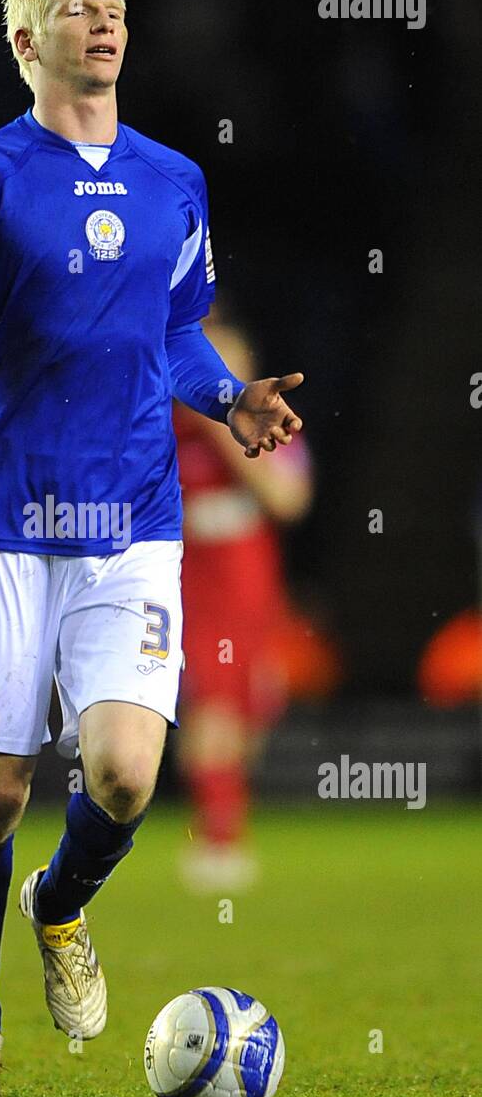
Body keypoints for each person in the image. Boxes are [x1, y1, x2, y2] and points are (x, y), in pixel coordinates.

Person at [0, 0, 303, 1097]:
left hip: (131, 525)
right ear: (25, 43)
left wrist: (229, 400)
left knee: (119, 775)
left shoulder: (175, 181)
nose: (103, 25)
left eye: (114, 10)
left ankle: (57, 904)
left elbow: (177, 333)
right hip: (4, 527)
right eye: (76, 10)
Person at [175, 317, 313, 893]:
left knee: (246, 707)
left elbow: (288, 499)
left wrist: (227, 434)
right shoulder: (159, 426)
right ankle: (220, 839)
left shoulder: (270, 422)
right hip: (185, 570)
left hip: (244, 570)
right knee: (209, 705)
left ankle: (225, 820)